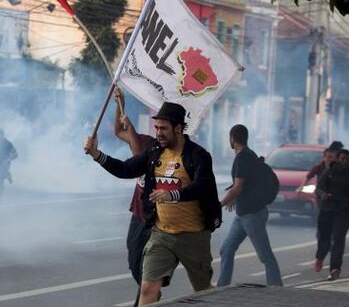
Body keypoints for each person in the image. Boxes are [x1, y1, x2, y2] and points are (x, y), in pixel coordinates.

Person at [84, 102, 221, 306]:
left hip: (193, 236)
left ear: (177, 128)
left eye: (163, 128)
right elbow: (126, 169)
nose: (158, 133)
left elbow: (203, 186)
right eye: (156, 128)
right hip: (161, 235)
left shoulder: (197, 155)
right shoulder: (155, 153)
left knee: (203, 290)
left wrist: (172, 195)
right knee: (148, 288)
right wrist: (97, 155)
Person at [217, 124, 283, 287]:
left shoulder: (242, 158)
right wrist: (234, 199)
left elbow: (238, 186)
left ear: (232, 138)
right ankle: (222, 287)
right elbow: (248, 184)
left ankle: (277, 287)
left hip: (252, 214)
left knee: (265, 255)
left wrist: (219, 204)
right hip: (244, 214)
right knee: (226, 249)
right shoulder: (250, 155)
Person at [113, 87, 155, 307]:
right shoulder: (142, 138)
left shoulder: (154, 149)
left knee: (146, 265)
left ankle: (147, 296)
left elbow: (138, 159)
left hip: (152, 217)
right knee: (132, 258)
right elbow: (117, 131)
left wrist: (131, 132)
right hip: (137, 213)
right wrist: (120, 103)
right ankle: (151, 293)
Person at [314, 149, 349, 281]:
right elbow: (319, 188)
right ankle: (320, 257)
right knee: (324, 239)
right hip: (327, 210)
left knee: (339, 240)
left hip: (343, 211)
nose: (344, 161)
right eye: (342, 158)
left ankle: (335, 269)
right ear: (337, 159)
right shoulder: (329, 172)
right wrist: (324, 195)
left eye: (347, 159)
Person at [0, 129, 18, 196]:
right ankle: (7, 174)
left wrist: (9, 159)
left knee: (0, 178)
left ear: (3, 135)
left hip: (5, 163)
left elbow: (16, 154)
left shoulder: (8, 143)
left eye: (1, 135)